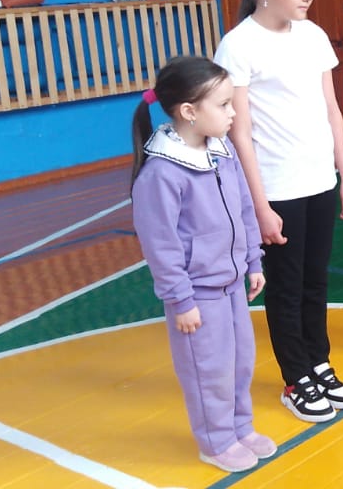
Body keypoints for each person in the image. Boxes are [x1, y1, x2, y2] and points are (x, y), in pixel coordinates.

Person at [213, 0, 343, 423]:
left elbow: (332, 109)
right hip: (277, 190)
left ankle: (320, 361)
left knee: (316, 280)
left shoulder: (312, 36)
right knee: (286, 286)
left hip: (320, 182)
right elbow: (240, 133)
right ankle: (296, 376)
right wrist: (259, 206)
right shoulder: (238, 46)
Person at [130, 56, 276, 473]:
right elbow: (161, 246)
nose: (234, 113)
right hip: (198, 296)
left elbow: (244, 207)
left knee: (240, 362)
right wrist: (181, 300)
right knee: (208, 370)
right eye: (224, 105)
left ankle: (240, 428)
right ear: (189, 112)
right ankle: (216, 441)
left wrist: (252, 261)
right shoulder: (161, 174)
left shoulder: (222, 151)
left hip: (231, 286)